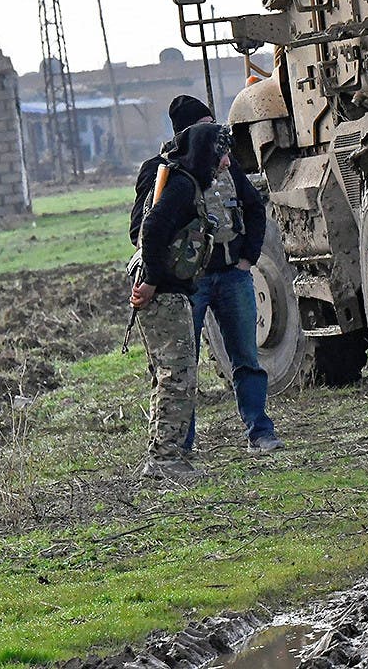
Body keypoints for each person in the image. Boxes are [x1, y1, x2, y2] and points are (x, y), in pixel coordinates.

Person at [130, 95, 280, 454]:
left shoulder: (224, 165)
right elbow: (142, 229)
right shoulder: (162, 171)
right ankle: (181, 444)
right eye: (203, 126)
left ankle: (260, 432)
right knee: (181, 369)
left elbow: (254, 206)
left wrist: (247, 258)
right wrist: (157, 274)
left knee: (247, 358)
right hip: (187, 287)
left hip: (232, 276)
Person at [129, 122, 232, 484]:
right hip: (165, 294)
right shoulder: (183, 184)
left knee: (171, 376)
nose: (226, 163)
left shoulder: (182, 180)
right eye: (221, 154)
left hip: (168, 291)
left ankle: (167, 456)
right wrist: (154, 282)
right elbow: (152, 228)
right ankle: (163, 461)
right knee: (177, 376)